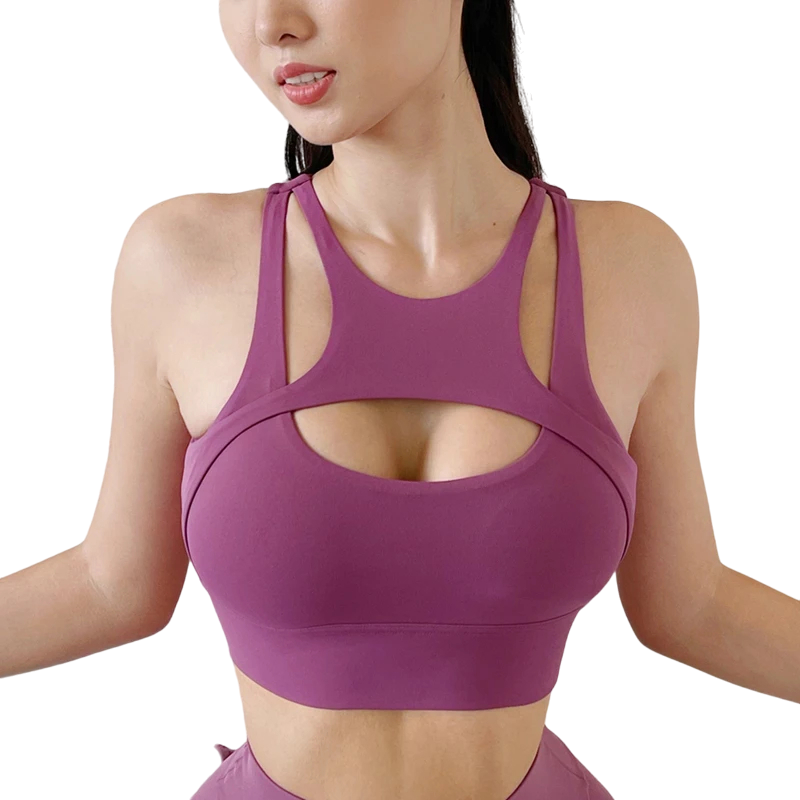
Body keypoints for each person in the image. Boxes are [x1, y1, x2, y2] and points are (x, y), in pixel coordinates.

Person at [3, 1, 798, 799]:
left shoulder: (632, 269)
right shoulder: (183, 263)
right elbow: (113, 585)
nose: (270, 22)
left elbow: (690, 604)